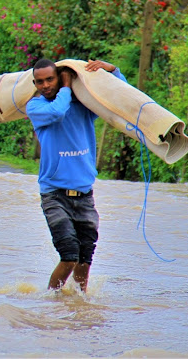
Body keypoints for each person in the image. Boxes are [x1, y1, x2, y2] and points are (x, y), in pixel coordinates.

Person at [26, 58, 127, 293]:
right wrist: (67, 86)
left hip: (84, 194)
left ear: (57, 77)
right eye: (40, 82)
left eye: (50, 79)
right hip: (54, 195)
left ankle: (80, 306)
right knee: (69, 255)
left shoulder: (83, 107)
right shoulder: (37, 108)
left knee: (85, 259)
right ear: (35, 84)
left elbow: (117, 97)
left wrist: (111, 69)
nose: (45, 85)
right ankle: (51, 304)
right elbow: (58, 111)